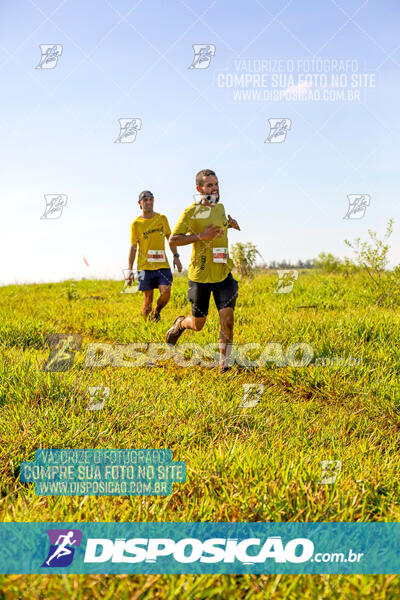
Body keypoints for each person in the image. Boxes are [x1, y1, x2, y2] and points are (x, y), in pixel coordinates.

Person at [165, 169, 240, 373]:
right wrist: (200, 236)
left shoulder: (221, 208)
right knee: (198, 324)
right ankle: (180, 324)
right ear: (199, 189)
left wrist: (229, 225)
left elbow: (219, 227)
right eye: (209, 186)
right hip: (200, 277)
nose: (214, 189)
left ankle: (225, 365)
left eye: (216, 185)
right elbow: (174, 239)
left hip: (223, 273)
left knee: (228, 319)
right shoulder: (190, 212)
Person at [127, 190, 182, 321]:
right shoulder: (136, 224)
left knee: (166, 292)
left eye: (151, 199)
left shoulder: (162, 219)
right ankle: (147, 327)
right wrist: (130, 269)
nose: (149, 202)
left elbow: (170, 238)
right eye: (145, 200)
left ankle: (156, 312)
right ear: (140, 203)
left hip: (162, 265)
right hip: (144, 267)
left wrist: (176, 256)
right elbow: (133, 247)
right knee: (148, 299)